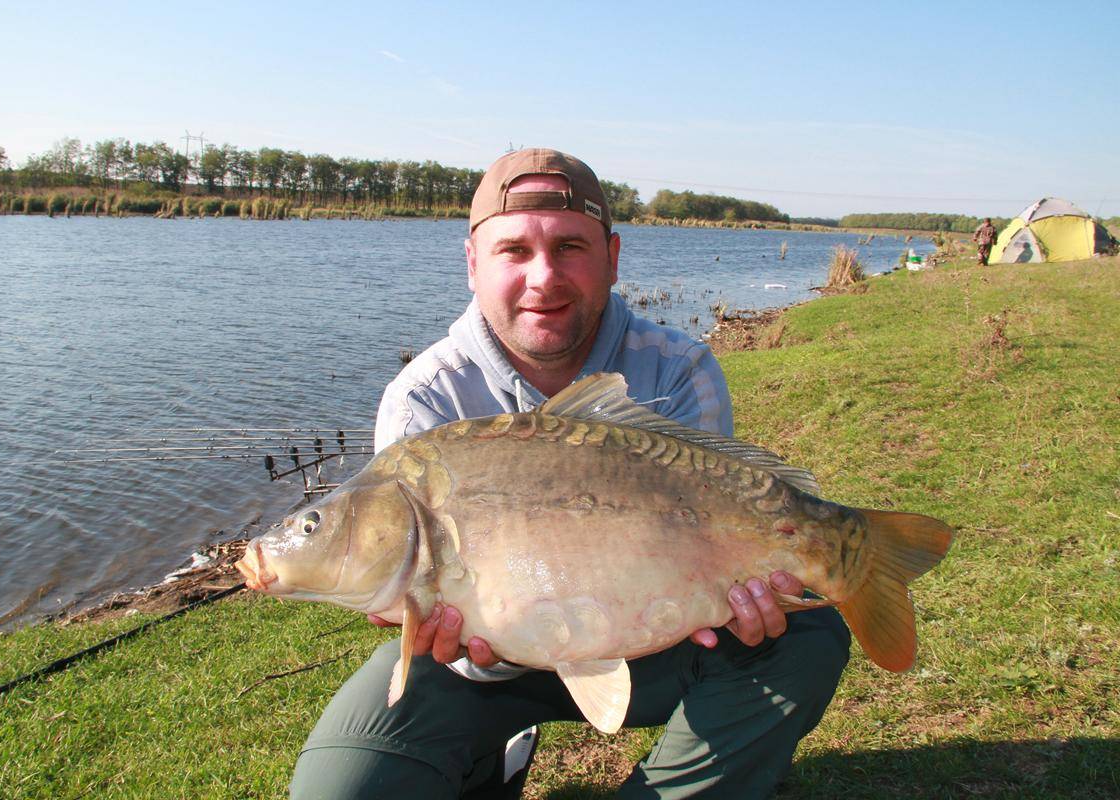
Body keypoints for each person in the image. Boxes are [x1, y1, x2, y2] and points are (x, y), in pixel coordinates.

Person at [289, 148, 850, 799]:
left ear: (613, 257)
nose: (544, 277)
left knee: (807, 633)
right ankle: (490, 760)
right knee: (341, 789)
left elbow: (713, 534)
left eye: (570, 248)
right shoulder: (422, 400)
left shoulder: (678, 371)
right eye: (514, 251)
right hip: (473, 665)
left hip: (654, 634)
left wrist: (740, 594)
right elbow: (404, 591)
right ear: (473, 263)